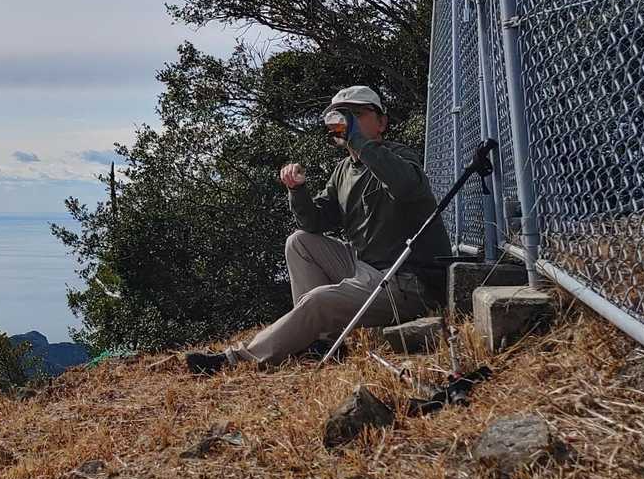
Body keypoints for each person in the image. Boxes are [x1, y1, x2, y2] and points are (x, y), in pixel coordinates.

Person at [184, 85, 452, 374]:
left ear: (382, 122)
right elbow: (314, 222)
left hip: (407, 281)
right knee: (299, 242)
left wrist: (360, 143)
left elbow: (406, 186)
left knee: (317, 301)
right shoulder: (344, 170)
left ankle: (235, 360)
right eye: (341, 115)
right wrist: (297, 191)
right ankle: (321, 342)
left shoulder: (400, 156)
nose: (347, 121)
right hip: (367, 268)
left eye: (357, 114)